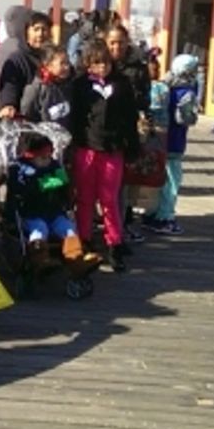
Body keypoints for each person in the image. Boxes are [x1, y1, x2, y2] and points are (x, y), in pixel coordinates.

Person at [69, 41, 139, 271]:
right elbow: (75, 118)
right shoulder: (79, 86)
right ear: (88, 64)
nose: (102, 68)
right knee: (85, 198)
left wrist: (132, 145)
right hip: (86, 148)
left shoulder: (121, 84)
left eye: (106, 63)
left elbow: (130, 117)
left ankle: (114, 244)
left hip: (112, 148)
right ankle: (86, 241)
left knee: (109, 199)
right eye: (97, 63)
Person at [7, 131, 103, 273]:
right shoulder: (20, 170)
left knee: (68, 229)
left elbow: (63, 180)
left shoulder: (53, 165)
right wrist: (48, 182)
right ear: (29, 156)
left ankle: (76, 259)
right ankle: (40, 260)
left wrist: (48, 185)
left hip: (54, 211)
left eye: (49, 156)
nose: (47, 159)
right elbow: (24, 189)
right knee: (39, 230)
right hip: (31, 213)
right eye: (42, 157)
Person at [144, 53, 200, 235]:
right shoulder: (187, 93)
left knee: (158, 179)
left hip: (160, 140)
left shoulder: (164, 87)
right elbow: (185, 118)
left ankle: (151, 213)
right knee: (172, 182)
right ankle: (165, 217)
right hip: (175, 142)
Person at [0, 11, 51, 120]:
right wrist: (9, 104)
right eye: (36, 29)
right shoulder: (17, 59)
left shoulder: (53, 56)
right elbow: (10, 86)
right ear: (26, 32)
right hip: (26, 118)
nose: (40, 34)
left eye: (44, 29)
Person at [21, 44, 73, 128]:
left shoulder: (68, 85)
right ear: (48, 66)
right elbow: (27, 117)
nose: (67, 67)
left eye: (67, 62)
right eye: (62, 63)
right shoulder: (36, 89)